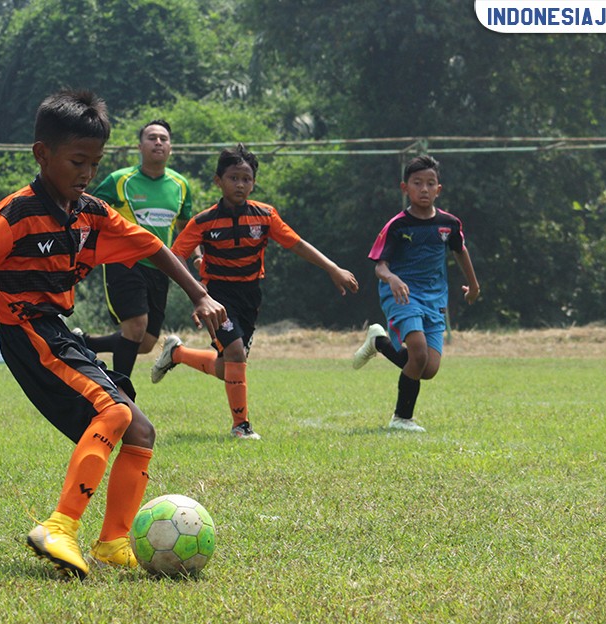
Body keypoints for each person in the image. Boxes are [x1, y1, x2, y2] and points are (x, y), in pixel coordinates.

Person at [0, 89, 226, 580]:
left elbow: (152, 245)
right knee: (114, 411)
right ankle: (59, 526)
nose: (86, 172)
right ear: (42, 154)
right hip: (28, 331)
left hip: (56, 332)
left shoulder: (90, 213)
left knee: (140, 431)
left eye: (95, 163)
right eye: (77, 161)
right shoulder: (14, 216)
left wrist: (198, 294)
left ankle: (113, 543)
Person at [150, 143, 359, 440]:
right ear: (218, 181)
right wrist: (198, 295)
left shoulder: (265, 215)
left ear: (254, 183)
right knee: (236, 353)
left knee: (229, 367)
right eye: (233, 178)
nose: (240, 184)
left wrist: (332, 268)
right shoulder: (204, 221)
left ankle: (178, 353)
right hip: (217, 297)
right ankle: (241, 426)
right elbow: (174, 256)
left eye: (246, 179)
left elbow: (297, 243)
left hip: (250, 296)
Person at [351, 154, 480, 432]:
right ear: (404, 188)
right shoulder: (397, 225)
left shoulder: (449, 223)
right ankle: (401, 418)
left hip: (435, 298)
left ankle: (379, 342)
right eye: (417, 183)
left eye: (430, 183)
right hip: (402, 294)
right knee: (418, 353)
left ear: (438, 189)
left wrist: (474, 286)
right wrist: (392, 278)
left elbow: (460, 250)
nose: (424, 189)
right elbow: (380, 266)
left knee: (428, 369)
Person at [80, 119, 194, 378]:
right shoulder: (119, 180)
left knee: (145, 342)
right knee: (135, 326)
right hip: (124, 262)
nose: (158, 142)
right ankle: (120, 392)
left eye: (163, 139)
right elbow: (88, 212)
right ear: (139, 146)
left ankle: (84, 343)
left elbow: (185, 229)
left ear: (171, 147)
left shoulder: (180, 185)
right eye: (152, 138)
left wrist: (195, 256)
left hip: (161, 267)